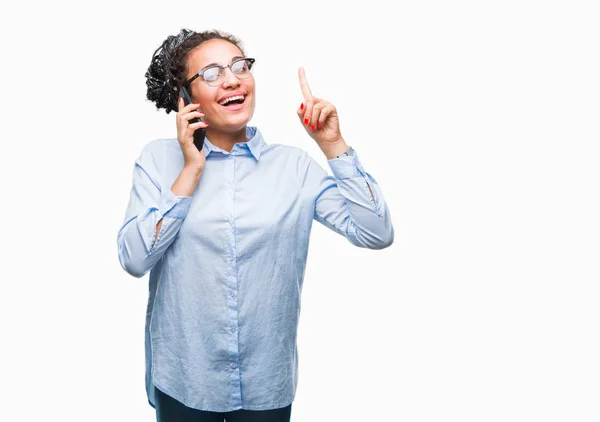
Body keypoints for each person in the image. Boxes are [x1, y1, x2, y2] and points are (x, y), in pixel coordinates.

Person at [117, 28, 394, 422]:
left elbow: (376, 232)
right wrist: (191, 170)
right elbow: (133, 259)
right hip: (185, 378)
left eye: (239, 67)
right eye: (211, 73)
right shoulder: (160, 161)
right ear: (186, 98)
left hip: (266, 382)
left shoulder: (294, 167)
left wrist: (333, 145)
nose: (232, 79)